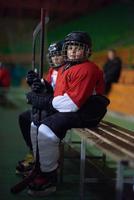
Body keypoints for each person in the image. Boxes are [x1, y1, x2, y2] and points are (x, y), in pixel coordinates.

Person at [26, 31, 110, 196]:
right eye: (70, 47)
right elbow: (58, 94)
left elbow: (71, 104)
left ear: (87, 51)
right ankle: (40, 166)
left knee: (45, 129)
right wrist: (41, 87)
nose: (72, 51)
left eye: (77, 48)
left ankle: (49, 177)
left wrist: (44, 101)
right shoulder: (67, 67)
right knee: (35, 124)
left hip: (88, 112)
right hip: (76, 109)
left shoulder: (87, 69)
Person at [16, 41, 65, 176]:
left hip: (58, 108)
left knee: (36, 120)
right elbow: (46, 88)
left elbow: (55, 93)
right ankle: (34, 153)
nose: (55, 58)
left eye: (58, 55)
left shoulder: (65, 71)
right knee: (25, 117)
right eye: (53, 55)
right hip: (50, 105)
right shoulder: (52, 71)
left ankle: (43, 161)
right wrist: (35, 82)